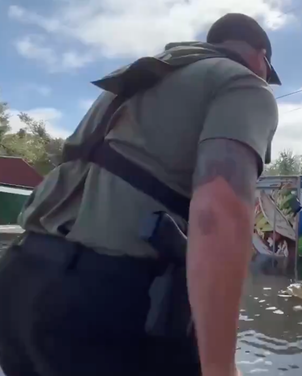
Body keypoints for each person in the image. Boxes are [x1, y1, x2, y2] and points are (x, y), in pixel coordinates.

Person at [0, 13, 279, 376]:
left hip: (19, 279)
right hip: (106, 306)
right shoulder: (244, 85)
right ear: (261, 58)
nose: (266, 81)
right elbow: (220, 213)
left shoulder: (139, 78)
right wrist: (220, 367)